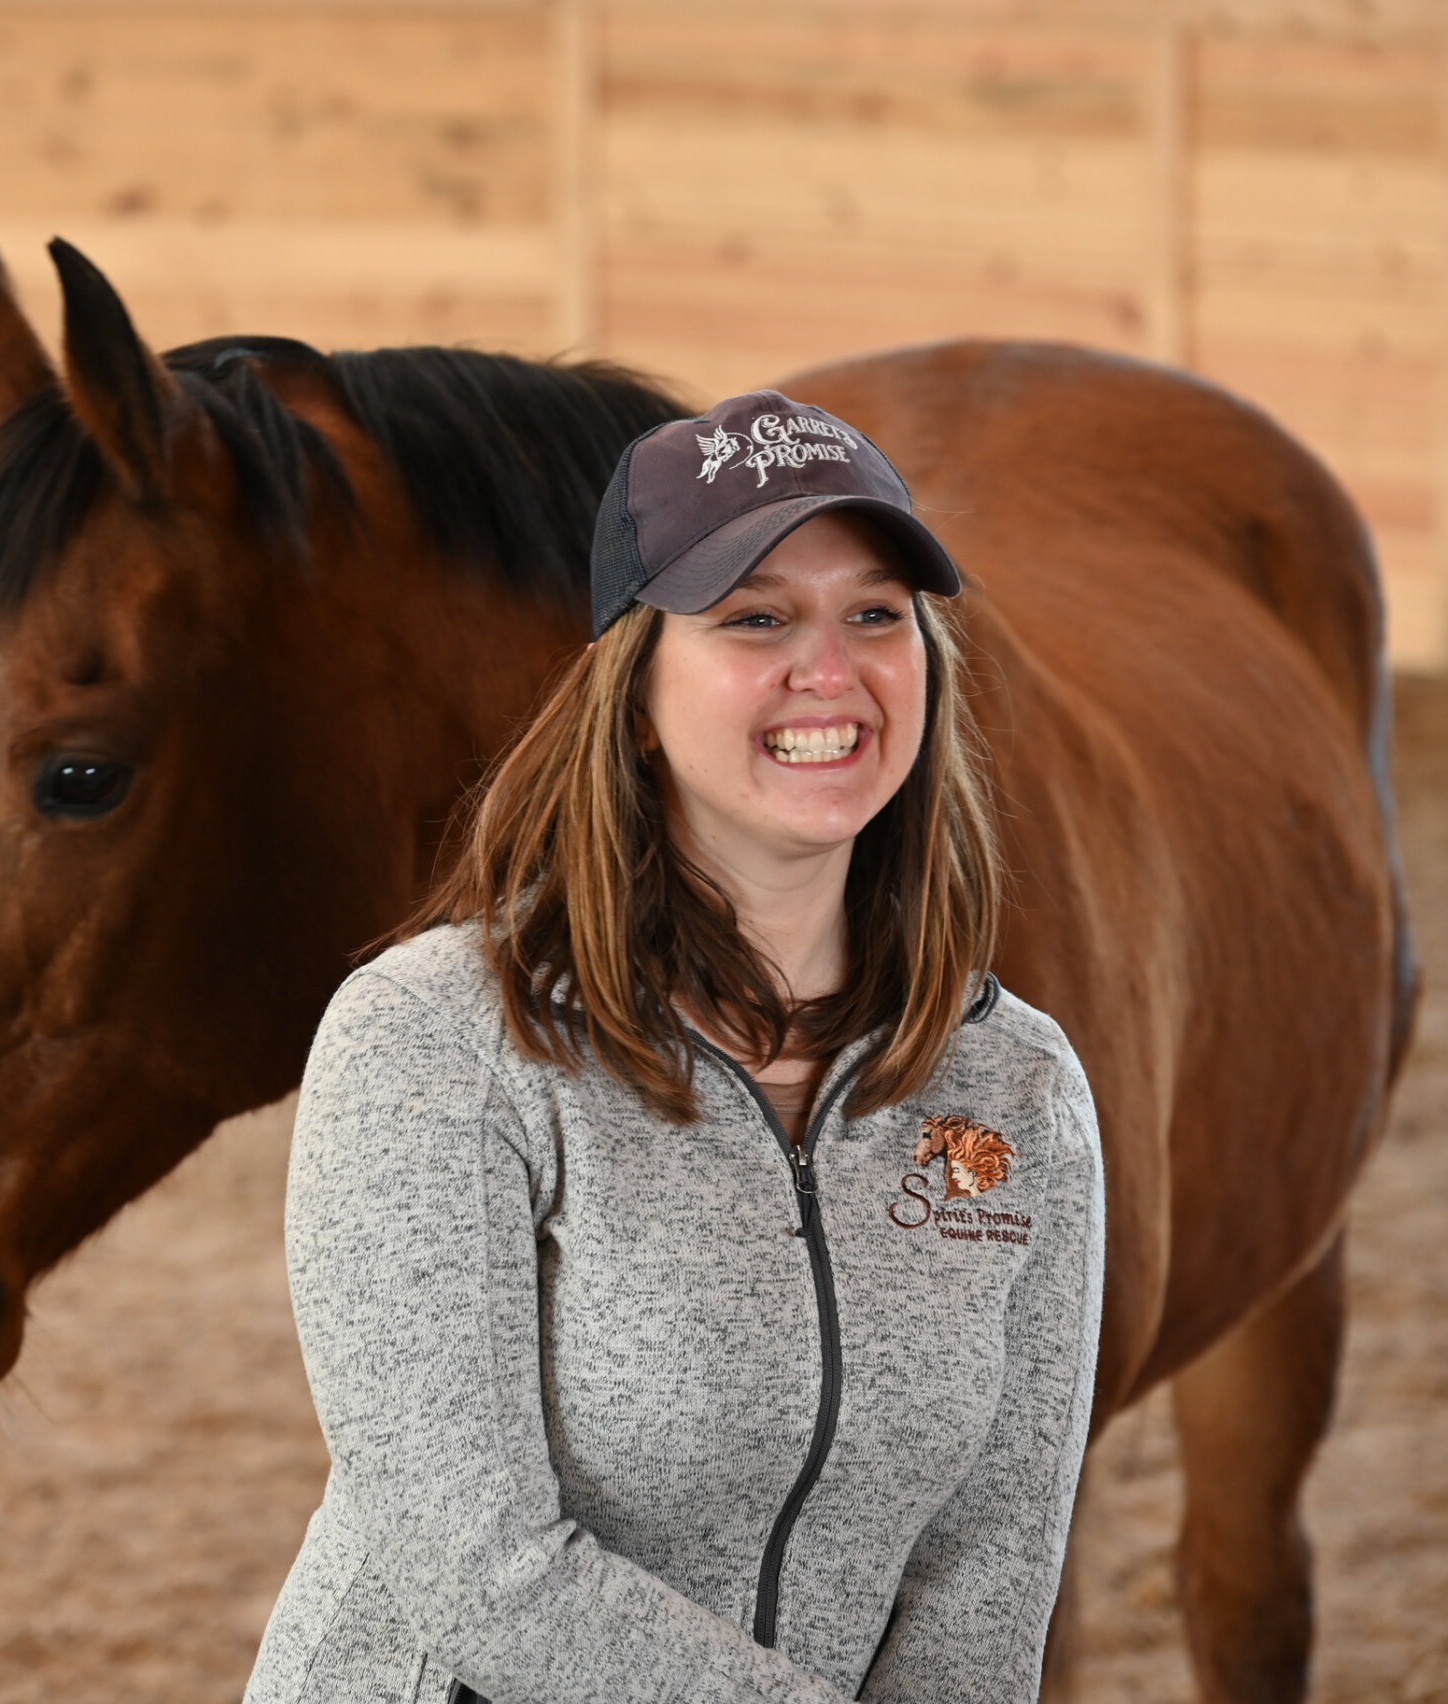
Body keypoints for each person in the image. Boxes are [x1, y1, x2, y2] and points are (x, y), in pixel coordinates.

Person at [244, 391, 1106, 1704]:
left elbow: (989, 1558)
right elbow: (482, 1570)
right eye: (756, 619)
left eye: (876, 614)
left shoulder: (1018, 1087)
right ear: (635, 691)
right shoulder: (439, 1044)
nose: (832, 668)